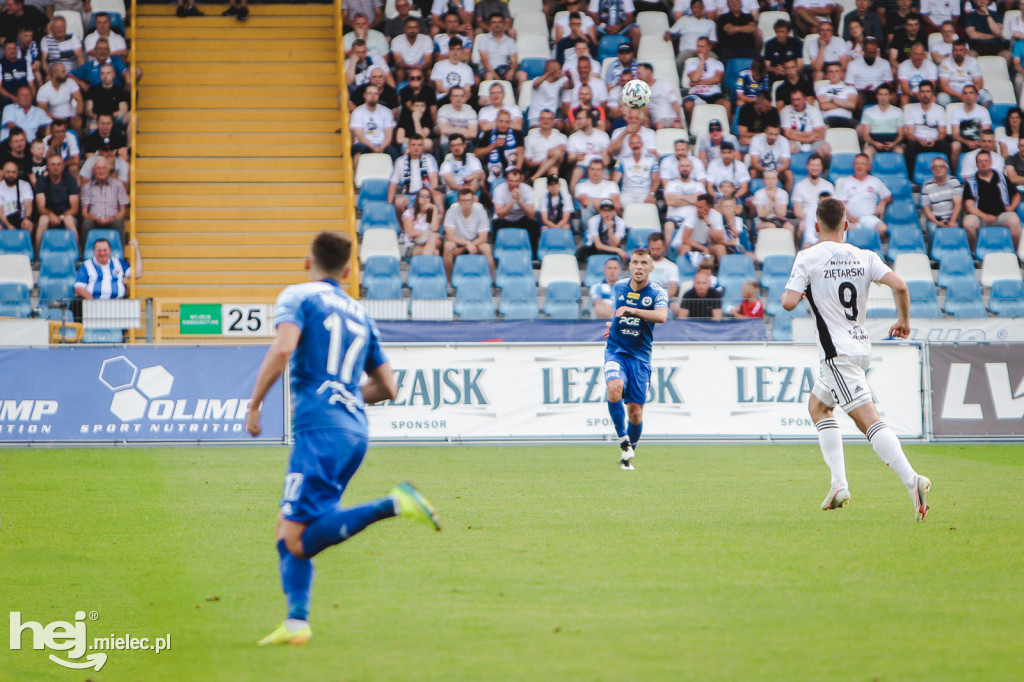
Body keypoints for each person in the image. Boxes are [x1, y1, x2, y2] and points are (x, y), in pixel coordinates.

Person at [246, 230, 440, 647]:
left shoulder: (298, 296)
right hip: (353, 430)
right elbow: (389, 387)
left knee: (296, 538)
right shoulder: (360, 313)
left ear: (306, 262)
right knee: (288, 528)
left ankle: (393, 504)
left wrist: (255, 404)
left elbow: (282, 350)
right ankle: (296, 625)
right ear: (348, 270)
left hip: (320, 430)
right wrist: (347, 395)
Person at [780, 197, 931, 521]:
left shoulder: (808, 257)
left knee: (868, 420)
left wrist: (799, 290)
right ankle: (838, 485)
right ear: (846, 225)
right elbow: (900, 286)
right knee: (818, 407)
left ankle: (911, 480)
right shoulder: (866, 256)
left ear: (817, 225)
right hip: (860, 347)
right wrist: (903, 320)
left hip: (837, 355)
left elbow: (789, 303)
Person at [601, 247, 668, 470]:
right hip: (616, 350)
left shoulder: (658, 293)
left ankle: (628, 455)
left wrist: (633, 311)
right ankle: (623, 440)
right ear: (630, 265)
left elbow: (661, 316)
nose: (639, 267)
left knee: (636, 413)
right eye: (635, 262)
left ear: (651, 267)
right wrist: (613, 323)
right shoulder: (619, 286)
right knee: (614, 387)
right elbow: (618, 312)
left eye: (643, 263)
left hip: (640, 357)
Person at [962, 151, 1022, 250]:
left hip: (1001, 215)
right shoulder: (970, 181)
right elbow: (969, 206)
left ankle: (1015, 253)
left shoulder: (1002, 178)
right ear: (976, 164)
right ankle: (974, 254)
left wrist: (1011, 208)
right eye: (980, 161)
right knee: (968, 223)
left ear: (991, 162)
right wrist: (985, 216)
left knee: (1014, 220)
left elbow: (1016, 195)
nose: (983, 163)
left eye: (986, 160)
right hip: (980, 217)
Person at [836, 153, 892, 238]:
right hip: (851, 219)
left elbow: (889, 197)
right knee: (842, 232)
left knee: (882, 228)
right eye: (857, 163)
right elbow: (840, 204)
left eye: (862, 164)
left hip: (869, 218)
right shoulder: (846, 182)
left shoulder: (875, 181)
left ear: (868, 167)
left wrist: (883, 203)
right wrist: (849, 217)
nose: (859, 166)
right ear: (853, 166)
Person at [442, 188, 493, 279]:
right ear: (459, 201)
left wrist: (465, 247)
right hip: (458, 241)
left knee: (487, 248)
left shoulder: (480, 210)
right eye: (464, 201)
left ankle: (491, 282)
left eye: (469, 200)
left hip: (475, 241)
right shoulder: (452, 211)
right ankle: (448, 281)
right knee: (448, 246)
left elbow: (483, 237)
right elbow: (450, 236)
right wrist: (466, 244)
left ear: (473, 200)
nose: (467, 203)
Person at [902, 80, 949, 176]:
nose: (925, 94)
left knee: (945, 145)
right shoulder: (912, 110)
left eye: (928, 91)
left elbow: (943, 131)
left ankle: (947, 174)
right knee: (910, 146)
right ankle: (911, 177)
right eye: (922, 92)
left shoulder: (939, 109)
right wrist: (919, 140)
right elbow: (909, 133)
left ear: (932, 93)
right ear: (919, 94)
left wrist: (935, 140)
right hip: (918, 142)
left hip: (934, 141)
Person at [33, 153, 78, 252]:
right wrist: (51, 215)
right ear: (48, 167)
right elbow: (41, 207)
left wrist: (60, 217)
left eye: (58, 164)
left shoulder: (70, 180)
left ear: (63, 166)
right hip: (48, 214)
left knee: (69, 220)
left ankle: (77, 255)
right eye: (53, 164)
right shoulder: (41, 181)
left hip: (66, 214)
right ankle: (37, 257)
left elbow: (74, 208)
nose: (56, 167)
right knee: (42, 220)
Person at [73, 237, 143, 300]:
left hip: (118, 304)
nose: (102, 253)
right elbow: (79, 288)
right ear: (94, 251)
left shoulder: (119, 263)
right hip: (94, 305)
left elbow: (137, 274)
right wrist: (92, 301)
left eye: (105, 250)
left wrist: (137, 249)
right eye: (99, 250)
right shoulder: (87, 265)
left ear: (110, 250)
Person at [79, 155, 128, 244]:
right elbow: (84, 212)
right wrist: (94, 218)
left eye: (103, 168)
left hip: (112, 221)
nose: (101, 171)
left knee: (119, 223)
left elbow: (123, 211)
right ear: (93, 171)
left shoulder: (118, 186)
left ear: (108, 169)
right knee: (86, 223)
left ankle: (120, 255)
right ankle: (84, 254)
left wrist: (112, 219)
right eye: (98, 168)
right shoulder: (87, 187)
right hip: (94, 221)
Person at [387, 135, 439, 216]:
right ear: (408, 146)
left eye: (419, 145)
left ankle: (439, 228)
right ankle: (402, 228)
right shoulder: (400, 161)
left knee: (438, 198)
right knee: (398, 202)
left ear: (423, 147)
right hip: (408, 195)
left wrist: (433, 192)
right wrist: (389, 204)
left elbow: (433, 177)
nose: (416, 148)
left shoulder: (429, 159)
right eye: (413, 145)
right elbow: (393, 183)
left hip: (425, 194)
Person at [791, 154, 835, 247]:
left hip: (825, 218)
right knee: (803, 225)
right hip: (806, 218)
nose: (815, 168)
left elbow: (832, 208)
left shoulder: (828, 186)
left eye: (817, 165)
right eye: (812, 165)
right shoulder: (800, 186)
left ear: (822, 167)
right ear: (807, 167)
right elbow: (797, 211)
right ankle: (800, 251)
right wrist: (811, 218)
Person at [491, 168, 538, 255]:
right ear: (506, 180)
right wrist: (513, 201)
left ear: (521, 180)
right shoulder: (499, 190)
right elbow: (500, 214)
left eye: (516, 181)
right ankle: (496, 255)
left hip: (521, 217)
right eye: (511, 181)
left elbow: (531, 215)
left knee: (533, 224)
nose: (513, 184)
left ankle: (533, 255)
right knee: (496, 224)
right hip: (505, 218)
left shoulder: (528, 190)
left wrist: (520, 200)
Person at [682, 37, 726, 126]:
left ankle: (724, 128)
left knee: (726, 104)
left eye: (702, 46)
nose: (699, 49)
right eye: (698, 46)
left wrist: (698, 83)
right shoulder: (691, 63)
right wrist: (701, 62)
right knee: (688, 105)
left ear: (708, 48)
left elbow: (717, 79)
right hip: (696, 93)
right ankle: (693, 128)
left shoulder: (717, 63)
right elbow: (694, 78)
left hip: (714, 93)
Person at [349, 85, 398, 164]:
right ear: (364, 95)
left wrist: (382, 147)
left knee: (394, 153)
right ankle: (356, 176)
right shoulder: (357, 112)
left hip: (382, 144)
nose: (373, 96)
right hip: (364, 144)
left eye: (375, 94)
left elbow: (389, 136)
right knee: (358, 150)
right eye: (370, 93)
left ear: (378, 95)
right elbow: (360, 136)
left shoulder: (386, 111)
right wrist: (372, 147)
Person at [780, 90, 831, 165]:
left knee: (825, 149)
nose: (795, 103)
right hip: (795, 142)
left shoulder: (814, 110)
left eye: (798, 99)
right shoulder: (785, 111)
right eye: (793, 100)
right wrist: (808, 138)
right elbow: (787, 134)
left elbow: (820, 134)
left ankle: (824, 173)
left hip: (814, 142)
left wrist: (797, 133)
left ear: (804, 99)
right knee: (788, 148)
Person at [950, 84, 992, 173]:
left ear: (976, 96)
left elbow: (986, 132)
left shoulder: (983, 111)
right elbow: (955, 134)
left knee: (989, 143)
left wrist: (979, 142)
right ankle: (954, 173)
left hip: (980, 142)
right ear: (962, 96)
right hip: (963, 143)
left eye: (971, 93)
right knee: (955, 146)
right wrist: (967, 142)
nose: (968, 95)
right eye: (965, 93)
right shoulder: (956, 111)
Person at [858, 82, 905, 159]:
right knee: (867, 151)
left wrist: (893, 144)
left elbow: (901, 134)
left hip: (893, 143)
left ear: (890, 96)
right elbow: (865, 135)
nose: (883, 97)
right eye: (881, 94)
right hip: (874, 143)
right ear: (877, 96)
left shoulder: (898, 111)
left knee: (899, 151)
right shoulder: (868, 111)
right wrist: (875, 143)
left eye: (886, 94)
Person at [613, 132, 659, 206]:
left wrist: (651, 194)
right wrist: (614, 195)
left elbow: (656, 179)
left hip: (645, 193)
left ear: (642, 144)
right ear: (629, 145)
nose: (635, 145)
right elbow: (615, 180)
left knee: (651, 203)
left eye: (637, 142)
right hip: (627, 193)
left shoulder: (651, 158)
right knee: (616, 204)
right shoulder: (622, 159)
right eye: (632, 143)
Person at [665, 0, 716, 66]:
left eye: (697, 7)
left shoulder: (710, 23)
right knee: (679, 61)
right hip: (687, 50)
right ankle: (682, 76)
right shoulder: (683, 20)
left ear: (703, 8)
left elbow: (713, 41)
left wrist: (703, 50)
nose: (695, 10)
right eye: (693, 8)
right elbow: (670, 32)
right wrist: (668, 35)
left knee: (715, 59)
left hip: (704, 51)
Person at [920, 156, 962, 236]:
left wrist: (952, 221)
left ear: (947, 169)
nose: (938, 169)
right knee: (932, 229)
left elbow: (958, 204)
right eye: (935, 167)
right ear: (932, 170)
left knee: (954, 229)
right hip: (935, 219)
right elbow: (927, 209)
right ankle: (932, 249)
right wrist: (937, 222)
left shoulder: (954, 181)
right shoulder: (926, 185)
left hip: (953, 217)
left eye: (941, 166)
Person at [438, 133, 484, 204]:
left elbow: (479, 174)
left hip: (472, 191)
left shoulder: (473, 159)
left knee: (476, 182)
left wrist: (471, 177)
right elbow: (451, 185)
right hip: (455, 193)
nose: (456, 148)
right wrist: (466, 188)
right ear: (449, 147)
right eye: (453, 145)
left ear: (464, 145)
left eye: (459, 145)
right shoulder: (446, 163)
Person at [577, 198, 627, 262]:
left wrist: (610, 228)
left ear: (613, 211)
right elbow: (598, 245)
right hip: (595, 247)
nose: (607, 213)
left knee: (620, 256)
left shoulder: (620, 222)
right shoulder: (593, 221)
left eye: (609, 210)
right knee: (581, 251)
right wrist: (618, 250)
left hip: (612, 247)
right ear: (600, 211)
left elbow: (614, 245)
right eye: (604, 210)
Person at [389, 15, 435, 83]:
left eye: (415, 27)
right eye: (409, 27)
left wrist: (420, 67)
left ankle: (430, 92)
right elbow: (398, 62)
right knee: (400, 71)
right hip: (404, 68)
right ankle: (398, 92)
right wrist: (410, 67)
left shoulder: (426, 39)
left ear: (419, 29)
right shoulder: (396, 40)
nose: (412, 30)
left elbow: (428, 62)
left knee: (429, 72)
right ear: (404, 29)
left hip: (422, 68)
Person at [574, 159, 620, 225]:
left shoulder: (612, 185)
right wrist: (603, 202)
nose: (595, 172)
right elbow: (585, 202)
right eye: (592, 169)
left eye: (598, 169)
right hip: (589, 219)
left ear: (603, 171)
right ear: (588, 170)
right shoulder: (580, 186)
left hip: (610, 215)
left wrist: (595, 201)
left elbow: (616, 204)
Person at [400, 188, 442, 258]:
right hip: (413, 245)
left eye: (427, 196)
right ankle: (426, 267)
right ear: (417, 198)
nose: (424, 198)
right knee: (435, 252)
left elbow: (434, 229)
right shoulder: (409, 213)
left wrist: (434, 209)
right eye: (422, 196)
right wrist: (428, 232)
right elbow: (411, 233)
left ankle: (423, 268)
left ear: (430, 199)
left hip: (431, 242)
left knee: (433, 239)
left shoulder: (435, 213)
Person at [752, 168, 794, 235]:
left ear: (777, 180)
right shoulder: (759, 194)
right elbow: (761, 215)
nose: (771, 181)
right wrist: (770, 200)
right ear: (764, 180)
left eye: (773, 178)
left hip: (779, 219)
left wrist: (775, 199)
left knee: (789, 227)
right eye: (768, 178)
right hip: (763, 220)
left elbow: (782, 214)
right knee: (772, 226)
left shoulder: (783, 193)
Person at [897, 42, 937, 107]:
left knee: (933, 99)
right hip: (909, 93)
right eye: (916, 54)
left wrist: (923, 94)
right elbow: (904, 88)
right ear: (911, 54)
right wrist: (915, 94)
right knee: (904, 99)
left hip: (924, 93)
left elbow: (932, 86)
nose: (919, 57)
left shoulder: (931, 66)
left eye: (921, 54)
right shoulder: (903, 66)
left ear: (924, 55)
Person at [0, 159, 32, 232]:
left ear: (17, 173)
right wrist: (9, 225)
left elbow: (28, 204)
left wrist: (27, 218)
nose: (11, 174)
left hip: (21, 219)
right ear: (3, 173)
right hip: (4, 220)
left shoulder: (25, 185)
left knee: (28, 225)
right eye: (8, 172)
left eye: (14, 172)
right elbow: (0, 211)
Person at [646, 232, 679, 298]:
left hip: (664, 300)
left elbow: (673, 289)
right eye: (652, 249)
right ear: (648, 247)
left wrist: (662, 300)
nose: (655, 252)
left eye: (658, 249)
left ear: (664, 247)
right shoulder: (643, 265)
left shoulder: (672, 266)